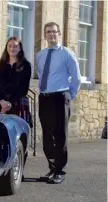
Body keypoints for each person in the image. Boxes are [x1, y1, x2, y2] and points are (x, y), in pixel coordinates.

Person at [36, 22, 81, 184]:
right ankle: (52, 167)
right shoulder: (40, 55)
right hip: (45, 97)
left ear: (59, 33)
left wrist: (70, 95)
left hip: (61, 97)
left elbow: (76, 77)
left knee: (60, 134)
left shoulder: (67, 54)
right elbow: (42, 76)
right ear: (44, 35)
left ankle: (60, 170)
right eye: (48, 32)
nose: (51, 35)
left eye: (54, 32)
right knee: (47, 134)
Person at [0, 36, 32, 126]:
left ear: (20, 48)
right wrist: (2, 101)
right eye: (9, 46)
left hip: (17, 103)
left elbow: (23, 87)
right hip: (1, 103)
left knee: (17, 133)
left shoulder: (26, 65)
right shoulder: (1, 64)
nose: (12, 48)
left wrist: (9, 103)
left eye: (15, 46)